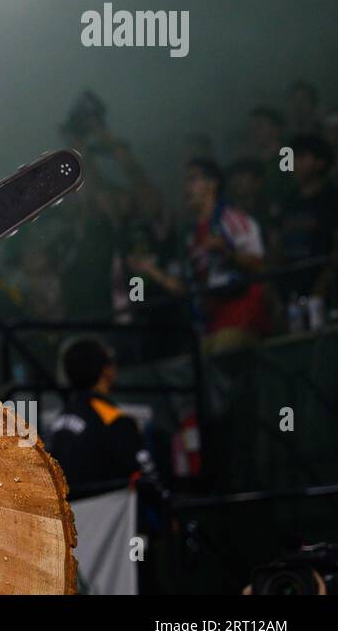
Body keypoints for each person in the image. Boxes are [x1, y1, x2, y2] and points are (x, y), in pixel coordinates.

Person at [131, 158, 270, 353]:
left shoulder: (232, 218)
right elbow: (184, 288)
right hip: (212, 324)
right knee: (194, 363)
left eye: (192, 179)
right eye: (185, 181)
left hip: (243, 316)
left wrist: (228, 254)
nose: (186, 187)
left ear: (212, 184)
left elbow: (261, 267)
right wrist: (150, 270)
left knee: (222, 351)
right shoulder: (190, 236)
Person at [46, 336, 156, 498]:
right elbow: (148, 481)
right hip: (109, 517)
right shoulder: (114, 420)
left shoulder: (57, 423)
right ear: (106, 370)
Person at [275, 133, 338, 312]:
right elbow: (277, 245)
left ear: (320, 162)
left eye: (301, 157)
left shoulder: (332, 198)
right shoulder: (287, 202)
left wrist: (323, 283)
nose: (294, 162)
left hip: (329, 288)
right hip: (292, 290)